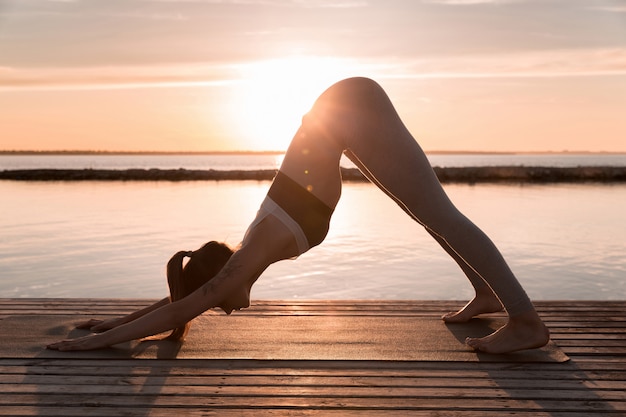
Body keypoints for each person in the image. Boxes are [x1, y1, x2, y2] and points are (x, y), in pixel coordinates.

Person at [47, 77, 550, 354]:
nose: (227, 308)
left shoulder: (250, 256)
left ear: (222, 279)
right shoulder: (243, 254)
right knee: (427, 214)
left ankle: (526, 320)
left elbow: (183, 308)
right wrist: (111, 322)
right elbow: (181, 296)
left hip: (345, 111)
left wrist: (95, 345)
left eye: (221, 303)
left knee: (441, 213)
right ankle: (487, 292)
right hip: (342, 112)